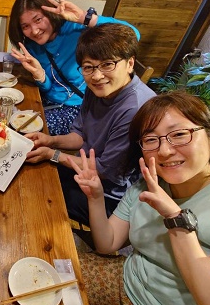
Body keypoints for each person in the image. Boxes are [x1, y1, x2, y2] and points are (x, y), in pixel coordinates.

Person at [69, 91, 210, 305]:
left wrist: (175, 218)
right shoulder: (148, 183)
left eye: (179, 134)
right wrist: (96, 197)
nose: (164, 150)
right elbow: (108, 243)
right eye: (151, 139)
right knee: (52, 278)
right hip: (132, 281)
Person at [25, 23, 155, 226]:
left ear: (130, 64)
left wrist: (53, 154)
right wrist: (50, 140)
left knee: (37, 194)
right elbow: (80, 135)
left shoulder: (135, 109)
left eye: (108, 64)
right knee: (31, 172)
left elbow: (105, 171)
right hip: (87, 171)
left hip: (112, 198)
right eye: (89, 67)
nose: (97, 75)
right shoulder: (96, 89)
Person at [8, 0, 140, 135]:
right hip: (48, 102)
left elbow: (133, 35)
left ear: (50, 13)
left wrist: (84, 17)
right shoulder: (32, 46)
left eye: (38, 20)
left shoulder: (76, 28)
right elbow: (50, 88)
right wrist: (40, 76)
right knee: (7, 114)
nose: (34, 30)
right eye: (25, 26)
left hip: (79, 108)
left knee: (22, 131)